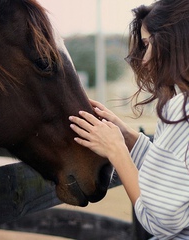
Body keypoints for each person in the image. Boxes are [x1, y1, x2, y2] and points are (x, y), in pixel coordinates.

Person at [69, 0, 189, 239]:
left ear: (172, 41)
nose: (144, 59)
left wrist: (116, 151)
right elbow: (176, 176)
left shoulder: (181, 109)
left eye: (146, 44)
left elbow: (161, 220)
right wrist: (128, 138)